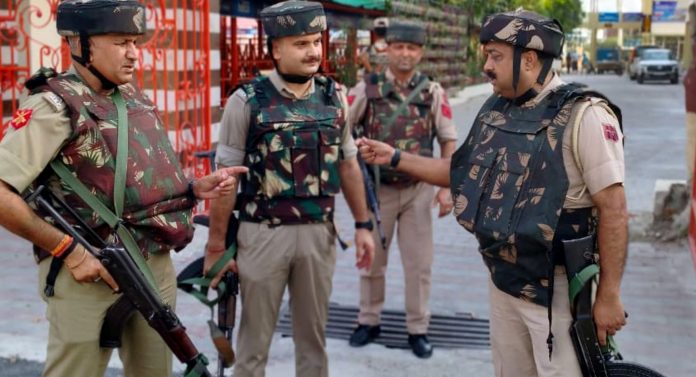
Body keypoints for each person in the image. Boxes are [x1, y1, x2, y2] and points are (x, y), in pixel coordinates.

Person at [357, 9, 628, 377]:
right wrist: (397, 157)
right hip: (503, 282)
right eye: (486, 55)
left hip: (558, 292)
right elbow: (458, 174)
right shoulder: (495, 109)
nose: (486, 66)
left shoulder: (586, 116)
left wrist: (609, 295)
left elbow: (614, 208)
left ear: (529, 59)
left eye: (495, 56)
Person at [0, 1, 247, 376]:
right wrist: (68, 250)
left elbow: (137, 183)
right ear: (81, 44)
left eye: (135, 41)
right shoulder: (53, 106)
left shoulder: (134, 98)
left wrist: (194, 188)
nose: (134, 53)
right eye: (121, 42)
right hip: (88, 272)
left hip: (153, 266)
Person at [205, 1, 375, 376]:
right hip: (262, 236)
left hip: (319, 236)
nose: (314, 50)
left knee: (313, 343)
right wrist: (216, 246)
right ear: (276, 48)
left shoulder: (334, 96)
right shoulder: (246, 101)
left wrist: (363, 225)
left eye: (316, 41)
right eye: (301, 43)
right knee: (253, 346)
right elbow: (226, 178)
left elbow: (348, 163)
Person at [346, 20, 457, 359]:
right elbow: (343, 129)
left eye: (411, 48)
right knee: (372, 262)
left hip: (418, 190)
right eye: (399, 47)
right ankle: (368, 320)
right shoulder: (367, 89)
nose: (405, 53)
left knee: (419, 264)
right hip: (377, 191)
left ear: (420, 52)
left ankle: (418, 328)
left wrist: (446, 187)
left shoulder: (432, 92)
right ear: (388, 49)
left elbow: (448, 139)